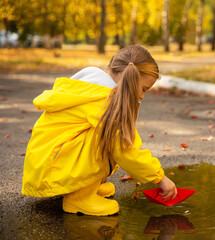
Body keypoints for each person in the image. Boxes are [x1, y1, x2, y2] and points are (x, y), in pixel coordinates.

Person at [22, 45, 177, 216]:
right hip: (51, 169)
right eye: (143, 89)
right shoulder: (105, 102)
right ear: (130, 79)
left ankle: (86, 186)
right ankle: (79, 198)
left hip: (48, 164)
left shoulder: (93, 86)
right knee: (109, 135)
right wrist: (160, 178)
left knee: (104, 133)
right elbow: (126, 149)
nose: (141, 96)